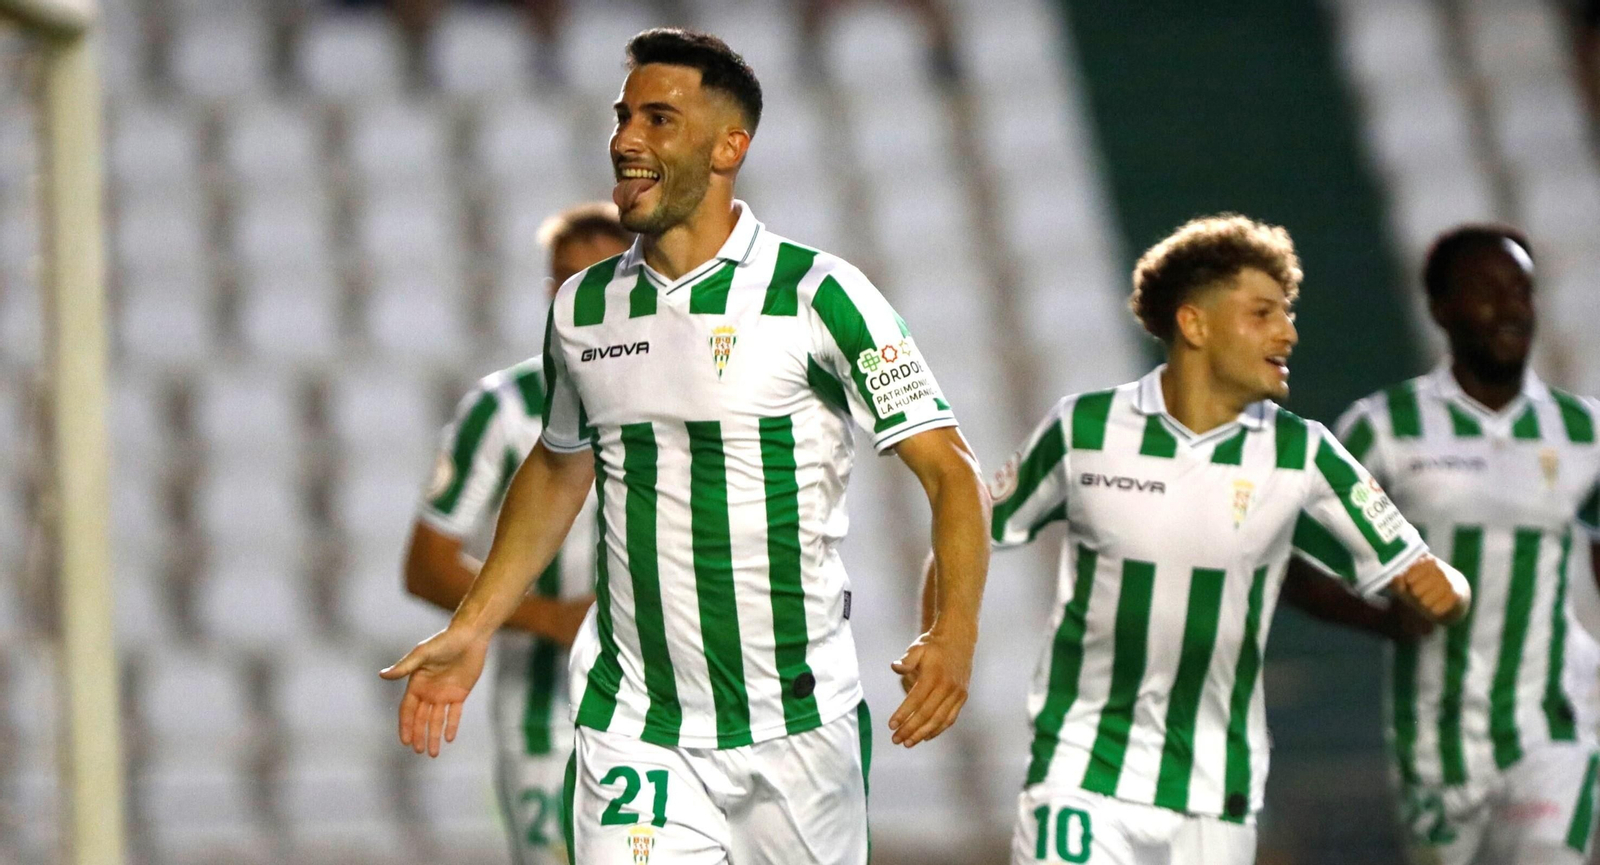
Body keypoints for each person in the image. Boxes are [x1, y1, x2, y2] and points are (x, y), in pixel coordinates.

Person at [382, 28, 991, 865]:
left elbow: (952, 471)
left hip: (799, 725)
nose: (626, 139)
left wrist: (954, 632)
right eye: (623, 116)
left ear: (728, 146)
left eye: (659, 119)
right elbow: (559, 467)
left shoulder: (819, 294)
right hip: (637, 726)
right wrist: (475, 623)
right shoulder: (583, 308)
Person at [934, 214, 1471, 865]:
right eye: (1263, 313)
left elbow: (1423, 570)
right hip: (1081, 770)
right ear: (1194, 324)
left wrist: (1447, 592)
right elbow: (970, 528)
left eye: (1287, 313)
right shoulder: (1085, 429)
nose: (1288, 332)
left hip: (1217, 793)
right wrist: (943, 637)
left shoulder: (1304, 453)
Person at [1280, 224, 1600, 865]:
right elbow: (1293, 561)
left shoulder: (1583, 431)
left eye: (1521, 291)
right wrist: (1380, 619)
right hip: (1434, 738)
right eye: (1486, 292)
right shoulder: (1385, 429)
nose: (1509, 308)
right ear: (1441, 309)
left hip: (1552, 725)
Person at [401, 202, 630, 864]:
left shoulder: (695, 396)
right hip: (544, 716)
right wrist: (554, 618)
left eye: (600, 276)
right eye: (565, 279)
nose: (580, 295)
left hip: (675, 709)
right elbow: (426, 564)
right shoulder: (504, 409)